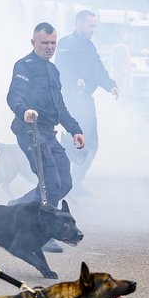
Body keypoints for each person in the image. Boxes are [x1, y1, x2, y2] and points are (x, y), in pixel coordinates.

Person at [7, 22, 85, 224]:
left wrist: (75, 130)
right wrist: (24, 111)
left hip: (49, 134)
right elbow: (14, 95)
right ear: (33, 42)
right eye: (44, 43)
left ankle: (18, 207)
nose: (49, 47)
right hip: (30, 131)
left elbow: (59, 106)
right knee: (51, 183)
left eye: (53, 43)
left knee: (65, 183)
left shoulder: (53, 70)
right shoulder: (24, 66)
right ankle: (44, 229)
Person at [55, 10, 119, 194]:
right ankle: (63, 183)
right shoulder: (66, 44)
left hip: (86, 103)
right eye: (91, 26)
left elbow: (98, 69)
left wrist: (110, 86)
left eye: (95, 26)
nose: (93, 30)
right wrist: (74, 79)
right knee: (71, 143)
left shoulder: (90, 46)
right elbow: (60, 68)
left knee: (91, 144)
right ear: (79, 23)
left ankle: (76, 182)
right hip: (70, 101)